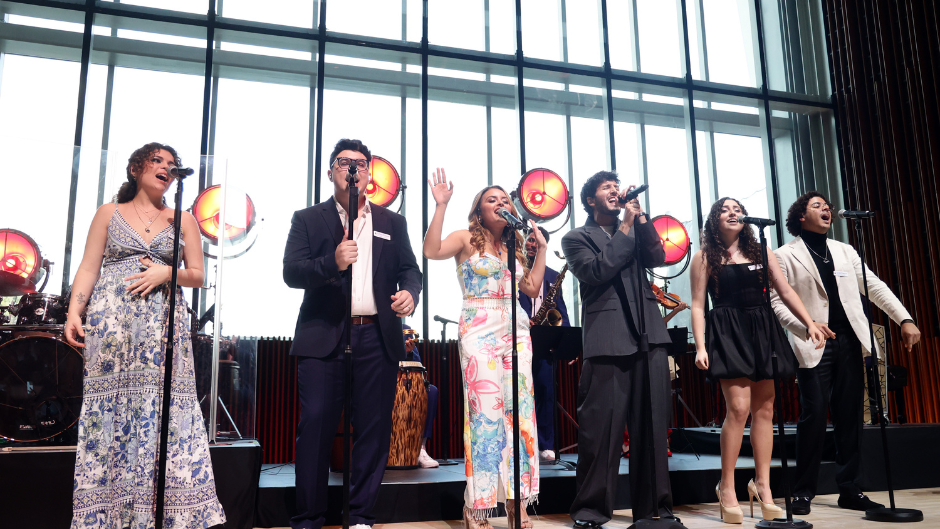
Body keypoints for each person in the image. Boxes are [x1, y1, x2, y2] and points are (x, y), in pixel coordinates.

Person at [64, 142, 226, 528]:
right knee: (110, 408)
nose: (166, 168)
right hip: (112, 325)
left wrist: (166, 272)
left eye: (172, 164)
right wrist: (74, 310)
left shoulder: (182, 219)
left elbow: (200, 275)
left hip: (162, 327)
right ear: (137, 168)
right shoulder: (109, 213)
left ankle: (164, 513)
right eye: (157, 160)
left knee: (165, 409)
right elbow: (89, 267)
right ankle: (107, 514)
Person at [283, 138, 422, 529]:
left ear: (369, 172)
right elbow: (291, 272)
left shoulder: (393, 222)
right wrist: (332, 261)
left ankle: (359, 515)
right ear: (331, 171)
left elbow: (411, 269)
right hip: (323, 335)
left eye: (361, 163)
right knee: (316, 425)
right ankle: (309, 517)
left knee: (374, 430)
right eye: (345, 162)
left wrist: (410, 292)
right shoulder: (308, 218)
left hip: (377, 337)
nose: (353, 168)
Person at [770, 192, 921, 515]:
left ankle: (850, 489)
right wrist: (805, 327)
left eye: (827, 205)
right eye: (817, 206)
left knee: (849, 416)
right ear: (800, 216)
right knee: (814, 413)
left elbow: (875, 286)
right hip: (815, 343)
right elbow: (777, 301)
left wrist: (904, 318)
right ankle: (803, 491)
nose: (826, 209)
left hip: (851, 340)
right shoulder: (784, 255)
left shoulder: (844, 250)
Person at [690, 197, 825, 524]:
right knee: (738, 409)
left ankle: (762, 484)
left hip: (762, 328)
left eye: (737, 208)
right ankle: (727, 486)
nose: (733, 213)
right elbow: (696, 304)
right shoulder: (705, 257)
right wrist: (700, 346)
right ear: (714, 220)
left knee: (766, 409)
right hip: (728, 329)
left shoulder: (761, 251)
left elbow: (785, 289)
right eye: (725, 209)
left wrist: (809, 322)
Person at [423, 169, 544, 529]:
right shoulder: (465, 239)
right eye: (492, 200)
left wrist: (543, 251)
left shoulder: (513, 248)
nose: (501, 204)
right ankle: (477, 506)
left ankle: (517, 503)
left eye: (505, 200)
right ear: (479, 210)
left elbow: (534, 290)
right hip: (479, 325)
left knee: (520, 417)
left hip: (516, 328)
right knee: (485, 417)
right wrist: (441, 205)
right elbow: (431, 250)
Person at [561, 171, 679, 528]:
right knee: (602, 431)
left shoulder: (634, 225)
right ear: (589, 201)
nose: (614, 191)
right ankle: (591, 511)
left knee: (654, 429)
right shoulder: (576, 237)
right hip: (607, 337)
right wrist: (626, 226)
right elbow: (599, 270)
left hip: (649, 335)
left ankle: (655, 509)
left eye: (617, 187)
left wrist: (640, 218)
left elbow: (657, 256)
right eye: (605, 188)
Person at [518, 226, 570, 462]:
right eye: (529, 240)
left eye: (535, 241)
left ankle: (546, 445)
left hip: (544, 338)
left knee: (546, 393)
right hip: (519, 335)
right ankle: (520, 445)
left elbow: (560, 308)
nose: (531, 245)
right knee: (519, 392)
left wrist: (566, 342)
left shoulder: (551, 274)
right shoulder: (516, 269)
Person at [402, 324, 440, 468]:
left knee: (431, 391)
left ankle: (421, 448)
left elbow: (417, 364)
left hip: (406, 382)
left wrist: (408, 352)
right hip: (383, 380)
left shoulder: (405, 329)